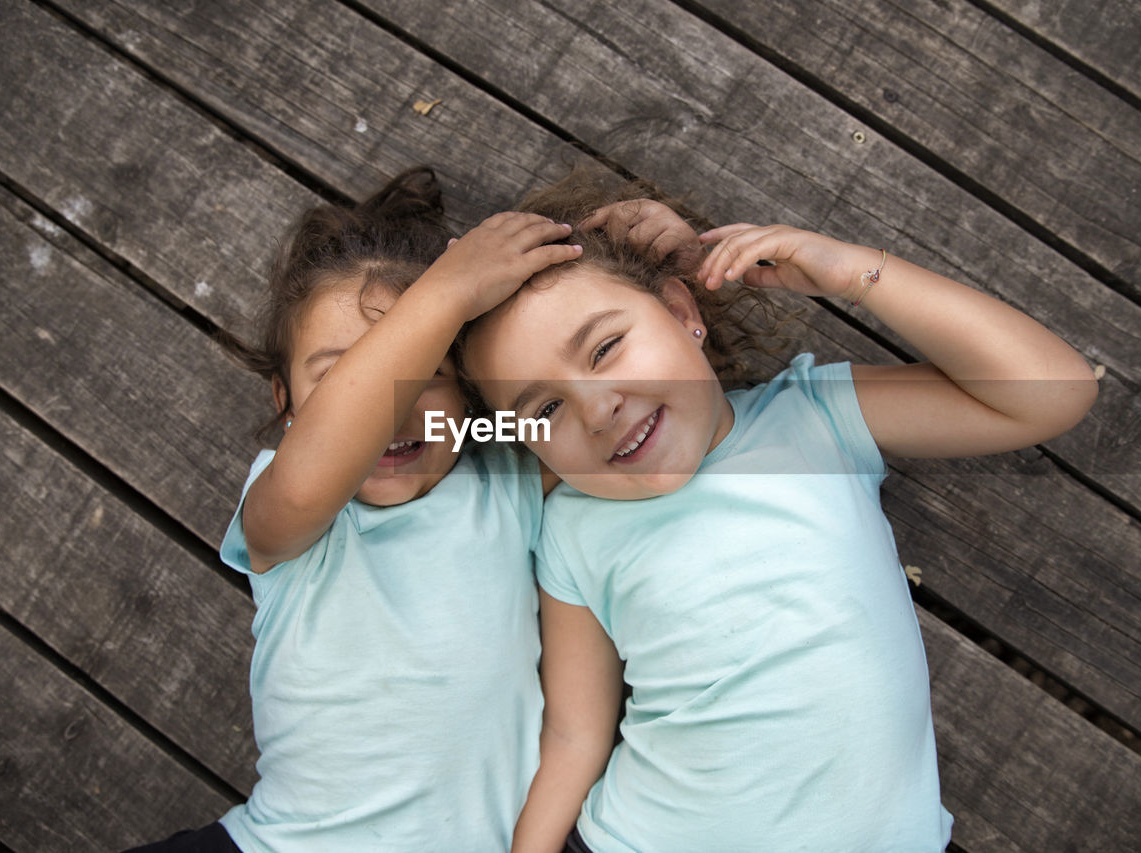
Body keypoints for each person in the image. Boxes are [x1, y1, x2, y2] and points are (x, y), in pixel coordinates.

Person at [459, 170, 1099, 852]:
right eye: (546, 409)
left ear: (682, 313)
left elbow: (1053, 394)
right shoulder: (572, 528)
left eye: (606, 346)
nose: (597, 407)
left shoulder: (815, 419)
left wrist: (852, 272)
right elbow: (575, 730)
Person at [124, 168, 580, 853]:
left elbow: (615, 407)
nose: (389, 407)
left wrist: (639, 240)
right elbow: (314, 473)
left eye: (426, 372)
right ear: (286, 405)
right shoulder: (294, 516)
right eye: (343, 378)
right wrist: (447, 292)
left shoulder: (507, 478)